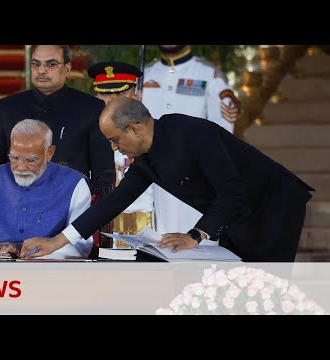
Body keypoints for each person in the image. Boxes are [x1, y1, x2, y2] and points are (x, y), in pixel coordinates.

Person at [21, 97, 314, 262]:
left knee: (266, 286)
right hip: (237, 214)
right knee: (236, 284)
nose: (113, 147)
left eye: (114, 139)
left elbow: (232, 190)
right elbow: (113, 202)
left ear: (135, 129)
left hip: (275, 203)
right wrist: (57, 241)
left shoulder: (190, 133)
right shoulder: (147, 159)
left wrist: (195, 235)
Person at [0, 45, 115, 196]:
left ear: (67, 68)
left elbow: (104, 171)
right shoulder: (8, 107)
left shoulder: (91, 107)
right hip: (18, 202)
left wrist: (89, 209)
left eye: (51, 64)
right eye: (36, 64)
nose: (41, 70)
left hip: (72, 205)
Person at [0, 119, 93, 259]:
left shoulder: (74, 183)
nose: (20, 167)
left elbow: (80, 244)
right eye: (14, 157)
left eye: (30, 160)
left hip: (50, 273)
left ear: (49, 153)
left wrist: (24, 252)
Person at [142, 45, 239, 239]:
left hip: (195, 182)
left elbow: (222, 135)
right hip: (149, 181)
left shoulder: (209, 75)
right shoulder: (144, 75)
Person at [87, 61, 154, 237]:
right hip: (94, 226)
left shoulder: (147, 133)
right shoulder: (84, 134)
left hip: (146, 227)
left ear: (136, 96)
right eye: (104, 93)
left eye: (121, 93)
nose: (112, 100)